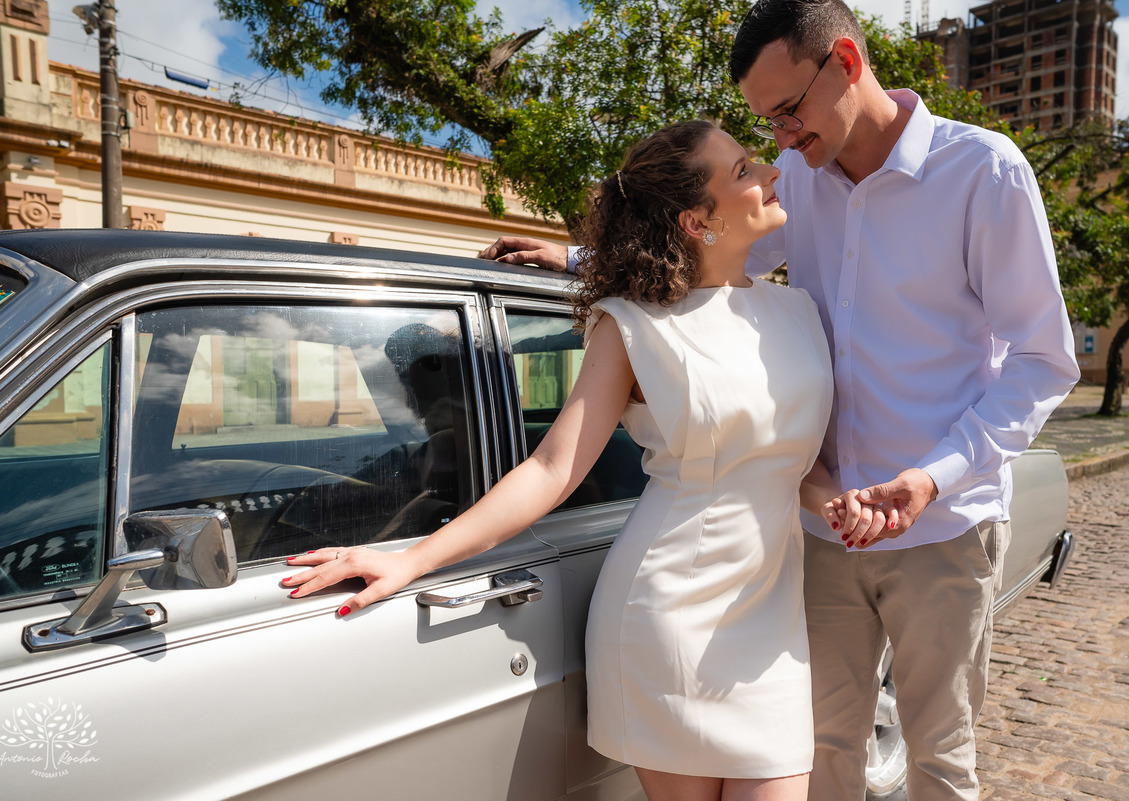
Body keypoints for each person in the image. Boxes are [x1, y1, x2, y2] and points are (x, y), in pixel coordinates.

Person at [479, 2, 1081, 799]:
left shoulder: (985, 172)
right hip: (819, 532)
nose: (782, 141)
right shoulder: (797, 173)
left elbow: (1043, 360)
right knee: (827, 750)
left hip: (943, 525)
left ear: (846, 60)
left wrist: (933, 475)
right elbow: (703, 250)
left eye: (790, 111)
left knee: (939, 758)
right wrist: (576, 254)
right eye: (768, 123)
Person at [283, 120, 875, 801]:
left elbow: (788, 459)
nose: (772, 170)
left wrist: (831, 498)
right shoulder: (632, 324)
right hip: (670, 617)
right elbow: (551, 469)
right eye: (743, 169)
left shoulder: (798, 311)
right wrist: (410, 559)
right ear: (697, 220)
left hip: (772, 622)